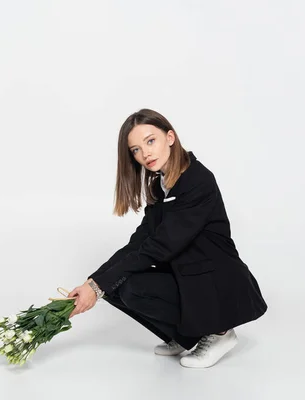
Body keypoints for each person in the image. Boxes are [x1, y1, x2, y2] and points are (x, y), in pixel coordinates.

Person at [67, 108, 267, 368]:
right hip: (184, 275)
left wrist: (96, 286)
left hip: (214, 281)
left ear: (170, 137)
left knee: (120, 284)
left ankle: (220, 332)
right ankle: (185, 336)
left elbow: (159, 247)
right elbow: (139, 242)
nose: (145, 153)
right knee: (113, 286)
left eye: (151, 141)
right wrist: (91, 284)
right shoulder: (159, 184)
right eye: (136, 149)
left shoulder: (197, 180)